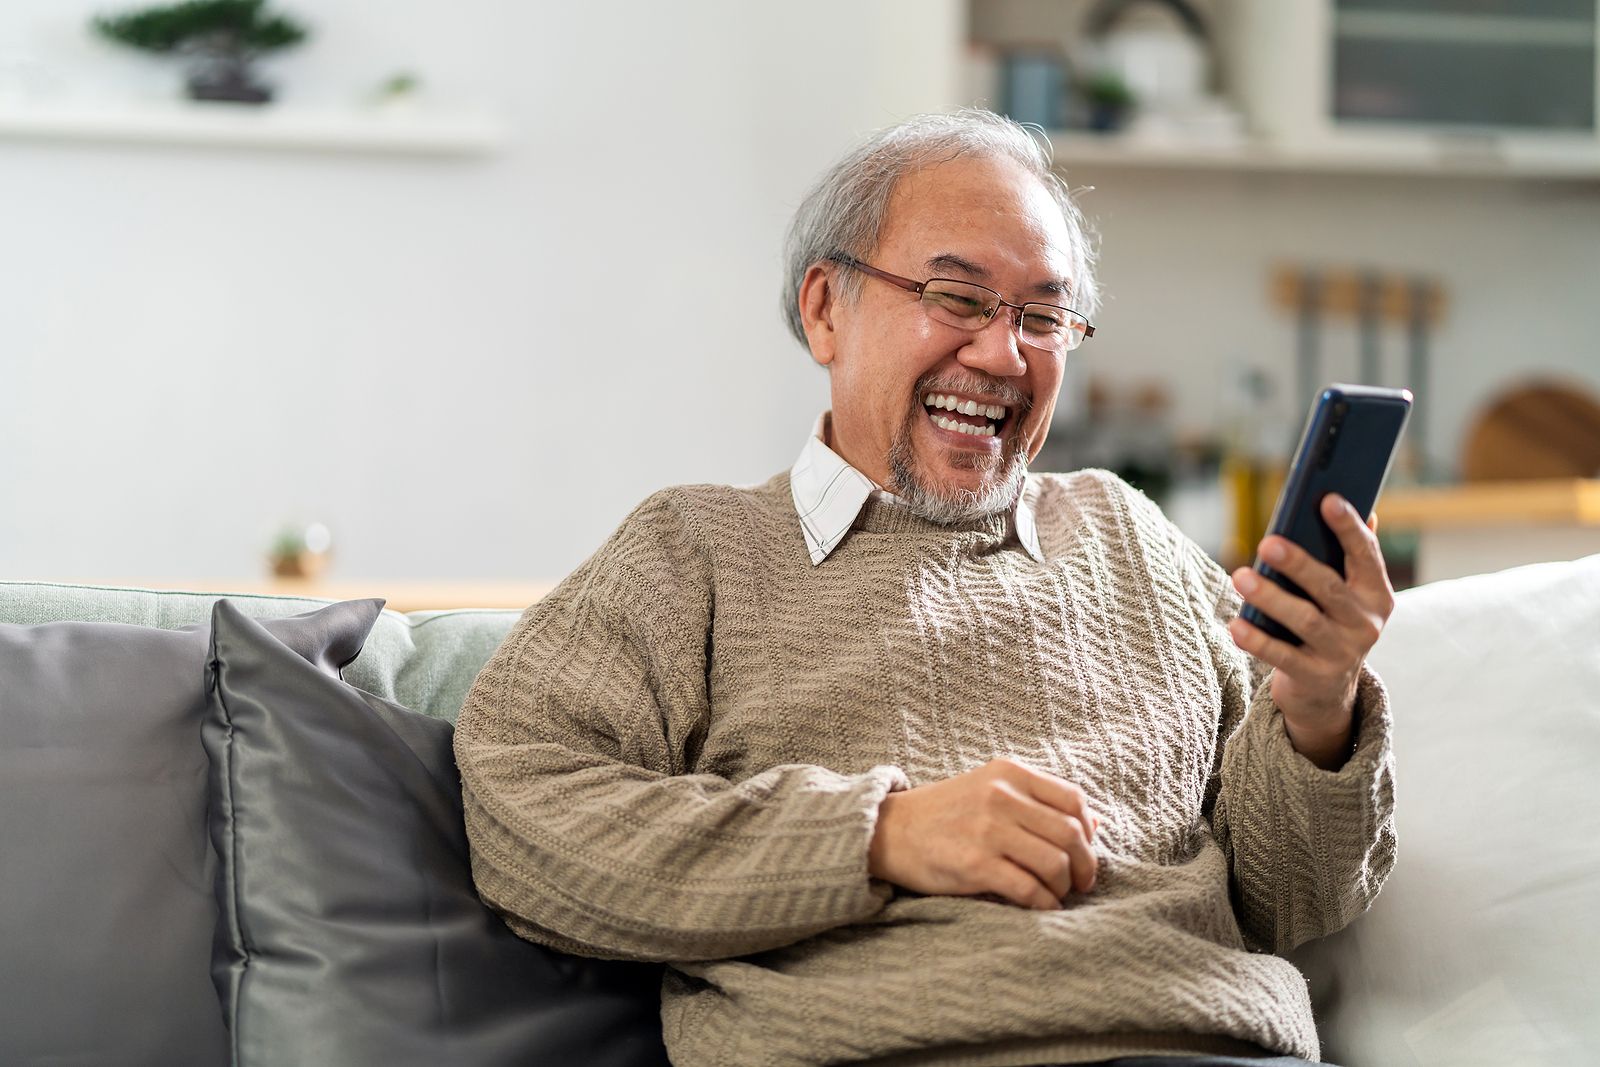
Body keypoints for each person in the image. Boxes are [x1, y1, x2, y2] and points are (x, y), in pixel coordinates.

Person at [454, 110, 1396, 1067]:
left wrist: (1319, 709)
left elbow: (1294, 900)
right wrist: (882, 834)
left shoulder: (1130, 534)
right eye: (956, 297)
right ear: (826, 309)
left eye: (1041, 316)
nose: (1002, 356)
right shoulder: (694, 550)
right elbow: (521, 817)